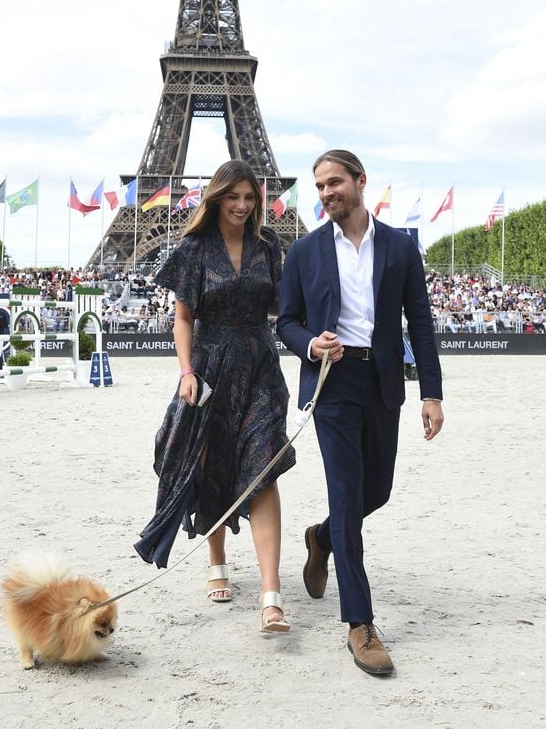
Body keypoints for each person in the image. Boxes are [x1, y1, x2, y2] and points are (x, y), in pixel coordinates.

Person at [277, 149, 444, 675]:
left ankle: (320, 537)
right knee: (348, 496)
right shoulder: (303, 252)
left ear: (359, 182)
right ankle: (360, 623)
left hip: (382, 380)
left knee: (378, 492)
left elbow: (419, 320)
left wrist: (431, 394)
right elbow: (286, 322)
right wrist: (311, 344)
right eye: (320, 186)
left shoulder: (399, 247)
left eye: (334, 183)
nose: (326, 193)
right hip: (333, 383)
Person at [135, 160, 294, 633]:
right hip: (208, 367)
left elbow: (280, 305)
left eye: (250, 197)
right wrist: (185, 370)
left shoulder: (269, 246)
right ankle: (218, 558)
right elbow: (183, 318)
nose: (243, 206)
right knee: (212, 461)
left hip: (260, 364)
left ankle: (271, 595)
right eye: (234, 197)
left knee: (263, 466)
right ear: (217, 198)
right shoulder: (193, 248)